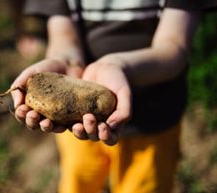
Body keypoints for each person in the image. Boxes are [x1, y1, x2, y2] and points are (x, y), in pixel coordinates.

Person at [11, 0, 216, 193]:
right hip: (76, 127)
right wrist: (66, 61)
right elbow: (63, 37)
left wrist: (119, 65)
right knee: (79, 181)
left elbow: (175, 46)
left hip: (153, 121)